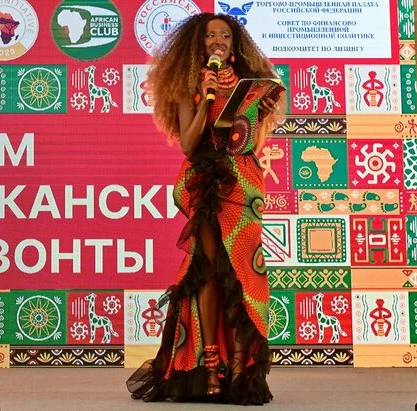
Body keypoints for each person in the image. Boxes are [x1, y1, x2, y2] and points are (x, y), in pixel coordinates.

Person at [127, 13, 283, 405]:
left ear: (235, 44)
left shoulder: (252, 85)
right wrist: (205, 97)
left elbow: (252, 143)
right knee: (211, 270)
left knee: (245, 272)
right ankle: (210, 365)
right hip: (206, 181)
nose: (218, 40)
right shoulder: (189, 86)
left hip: (243, 184)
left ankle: (241, 366)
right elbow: (188, 142)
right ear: (201, 45)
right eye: (211, 35)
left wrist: (257, 119)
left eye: (225, 35)